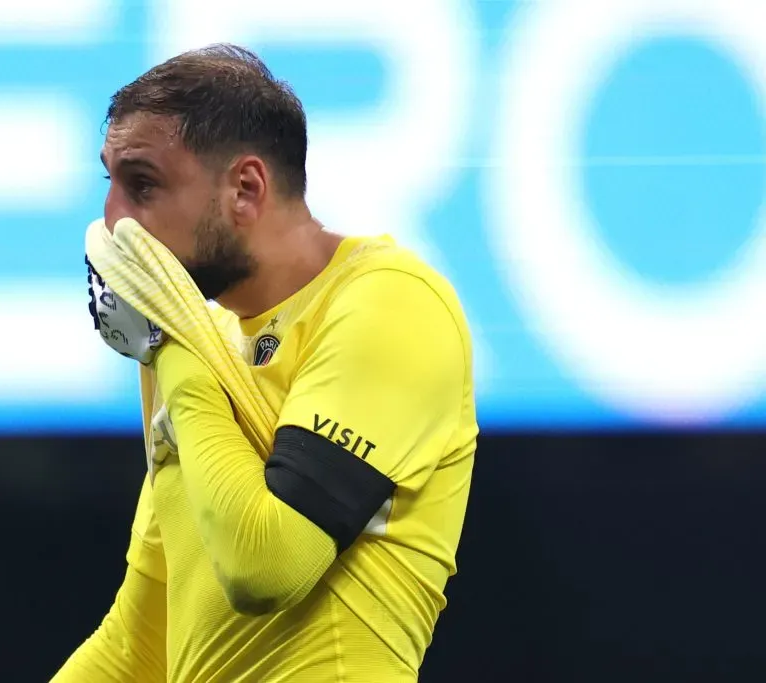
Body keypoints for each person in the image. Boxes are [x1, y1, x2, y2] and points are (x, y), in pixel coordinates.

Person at [51, 43, 478, 683]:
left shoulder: (392, 304)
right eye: (108, 182)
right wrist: (181, 345)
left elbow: (267, 565)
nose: (114, 220)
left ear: (246, 189)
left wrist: (173, 343)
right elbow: (139, 645)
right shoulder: (199, 343)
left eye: (143, 184)